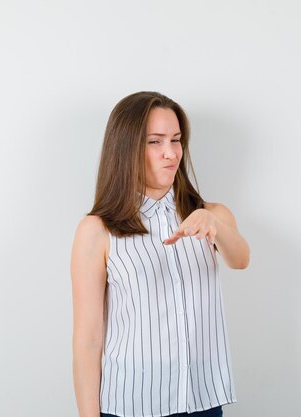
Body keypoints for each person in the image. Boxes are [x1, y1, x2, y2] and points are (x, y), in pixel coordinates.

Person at [71, 91, 250, 417]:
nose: (170, 153)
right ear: (126, 149)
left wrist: (216, 226)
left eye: (176, 140)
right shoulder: (97, 230)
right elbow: (88, 340)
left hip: (202, 401)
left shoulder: (210, 215)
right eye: (155, 142)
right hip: (131, 404)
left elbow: (240, 259)